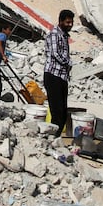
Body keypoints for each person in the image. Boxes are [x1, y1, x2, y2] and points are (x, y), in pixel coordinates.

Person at [44, 9, 74, 137]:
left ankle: (55, 137)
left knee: (62, 111)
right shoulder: (54, 34)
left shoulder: (64, 36)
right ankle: (51, 138)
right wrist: (68, 63)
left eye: (71, 22)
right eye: (67, 22)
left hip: (62, 77)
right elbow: (55, 53)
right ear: (61, 21)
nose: (70, 25)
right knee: (56, 111)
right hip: (53, 75)